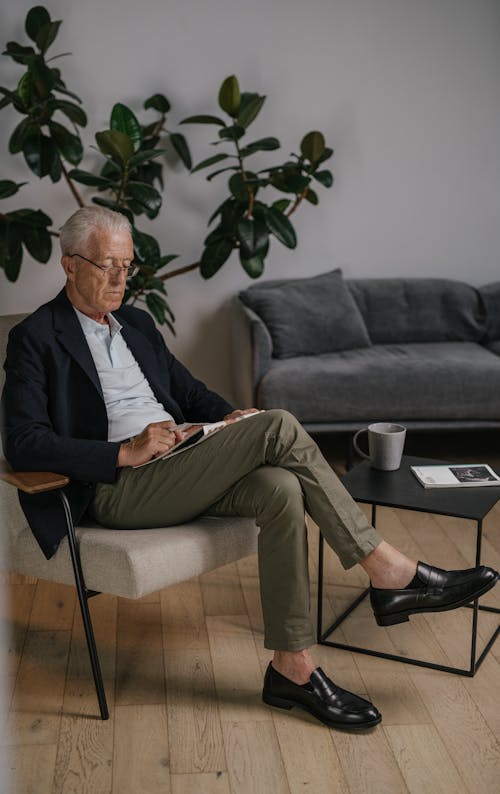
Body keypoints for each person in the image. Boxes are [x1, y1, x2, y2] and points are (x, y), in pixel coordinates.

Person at [2, 207, 498, 731]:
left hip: (179, 460)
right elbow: (23, 442)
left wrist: (228, 418)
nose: (121, 279)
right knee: (279, 425)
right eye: (108, 265)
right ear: (70, 265)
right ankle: (389, 572)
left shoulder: (138, 324)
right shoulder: (35, 336)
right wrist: (122, 452)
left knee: (281, 487)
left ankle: (293, 668)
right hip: (117, 485)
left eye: (128, 265)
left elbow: (189, 392)